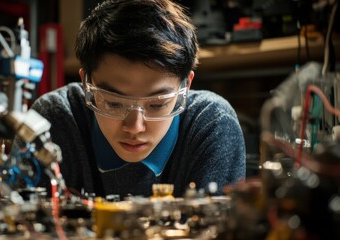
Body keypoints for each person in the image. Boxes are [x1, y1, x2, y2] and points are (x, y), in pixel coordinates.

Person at [17, 0, 245, 199]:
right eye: (114, 103)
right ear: (86, 82)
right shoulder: (52, 122)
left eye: (157, 104)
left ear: (186, 86)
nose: (135, 128)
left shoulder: (212, 125)